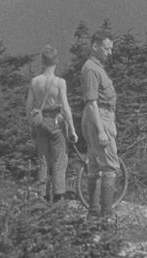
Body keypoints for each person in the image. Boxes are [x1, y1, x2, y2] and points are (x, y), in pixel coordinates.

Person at [26, 44, 78, 202]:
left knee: (43, 160)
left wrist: (32, 124)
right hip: (56, 122)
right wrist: (72, 130)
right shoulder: (59, 82)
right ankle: (58, 196)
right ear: (56, 62)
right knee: (59, 160)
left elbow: (28, 106)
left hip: (40, 122)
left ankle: (40, 196)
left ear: (43, 62)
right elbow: (66, 107)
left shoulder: (35, 81)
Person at [80, 30, 118, 219]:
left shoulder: (94, 67)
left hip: (98, 117)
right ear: (95, 47)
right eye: (106, 48)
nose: (109, 53)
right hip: (99, 117)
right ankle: (106, 216)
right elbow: (92, 102)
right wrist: (102, 131)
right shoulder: (92, 69)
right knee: (109, 167)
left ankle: (94, 214)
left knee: (94, 165)